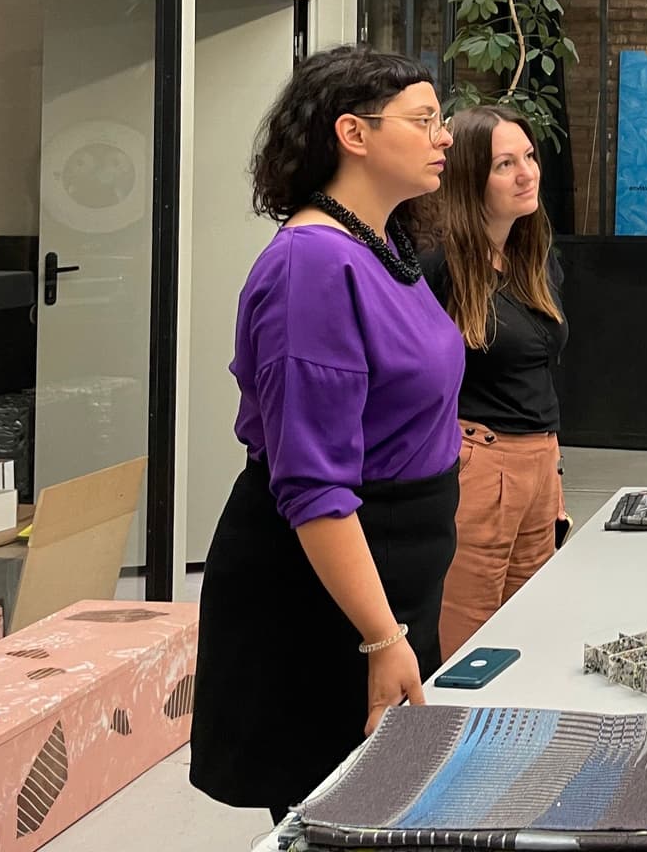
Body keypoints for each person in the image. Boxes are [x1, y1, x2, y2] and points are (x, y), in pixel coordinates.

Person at [190, 46, 464, 824]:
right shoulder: (313, 264)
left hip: (395, 573)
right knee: (341, 813)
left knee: (394, 807)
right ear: (354, 133)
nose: (443, 137)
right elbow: (313, 484)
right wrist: (380, 638)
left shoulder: (386, 248)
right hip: (326, 592)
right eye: (423, 121)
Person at [419, 105, 569, 659]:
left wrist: (549, 465)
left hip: (538, 462)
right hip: (479, 462)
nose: (527, 173)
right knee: (468, 641)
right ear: (468, 178)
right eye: (505, 164)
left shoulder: (533, 257)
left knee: (527, 633)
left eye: (528, 156)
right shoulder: (438, 265)